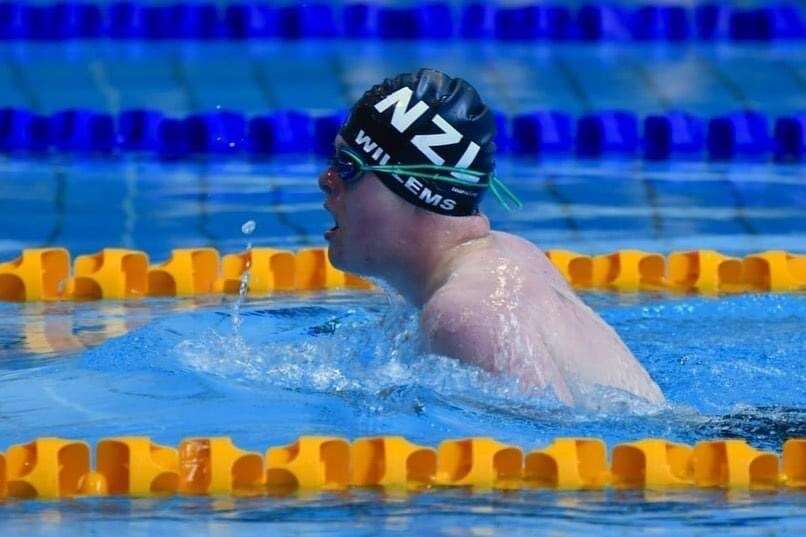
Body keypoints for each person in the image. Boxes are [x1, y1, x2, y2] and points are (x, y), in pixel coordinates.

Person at [318, 68, 664, 406]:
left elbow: (549, 451)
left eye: (347, 166)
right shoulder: (509, 253)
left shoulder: (466, 314)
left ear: (414, 189)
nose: (326, 179)